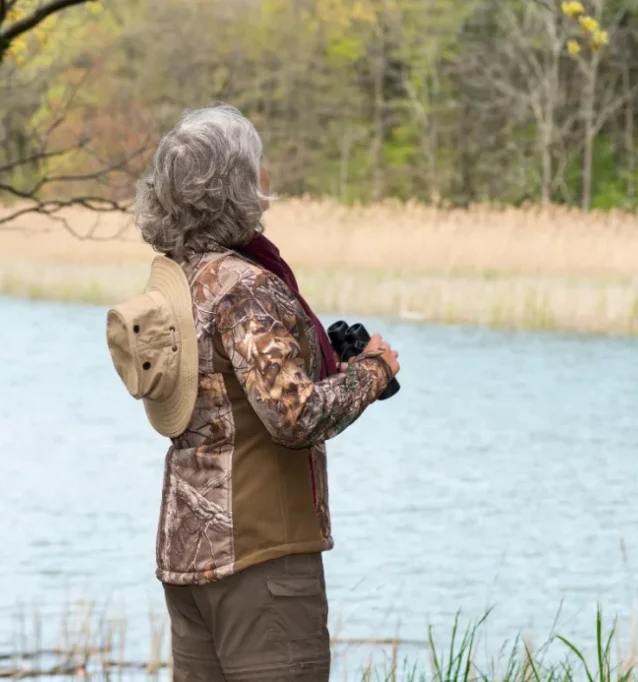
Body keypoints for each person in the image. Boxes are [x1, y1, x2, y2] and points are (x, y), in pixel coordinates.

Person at [105, 104, 400, 682]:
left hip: (189, 556)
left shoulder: (176, 282)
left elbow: (225, 396)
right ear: (236, 185)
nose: (267, 183)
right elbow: (295, 416)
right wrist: (372, 372)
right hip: (260, 559)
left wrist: (322, 362)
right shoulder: (249, 289)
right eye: (257, 170)